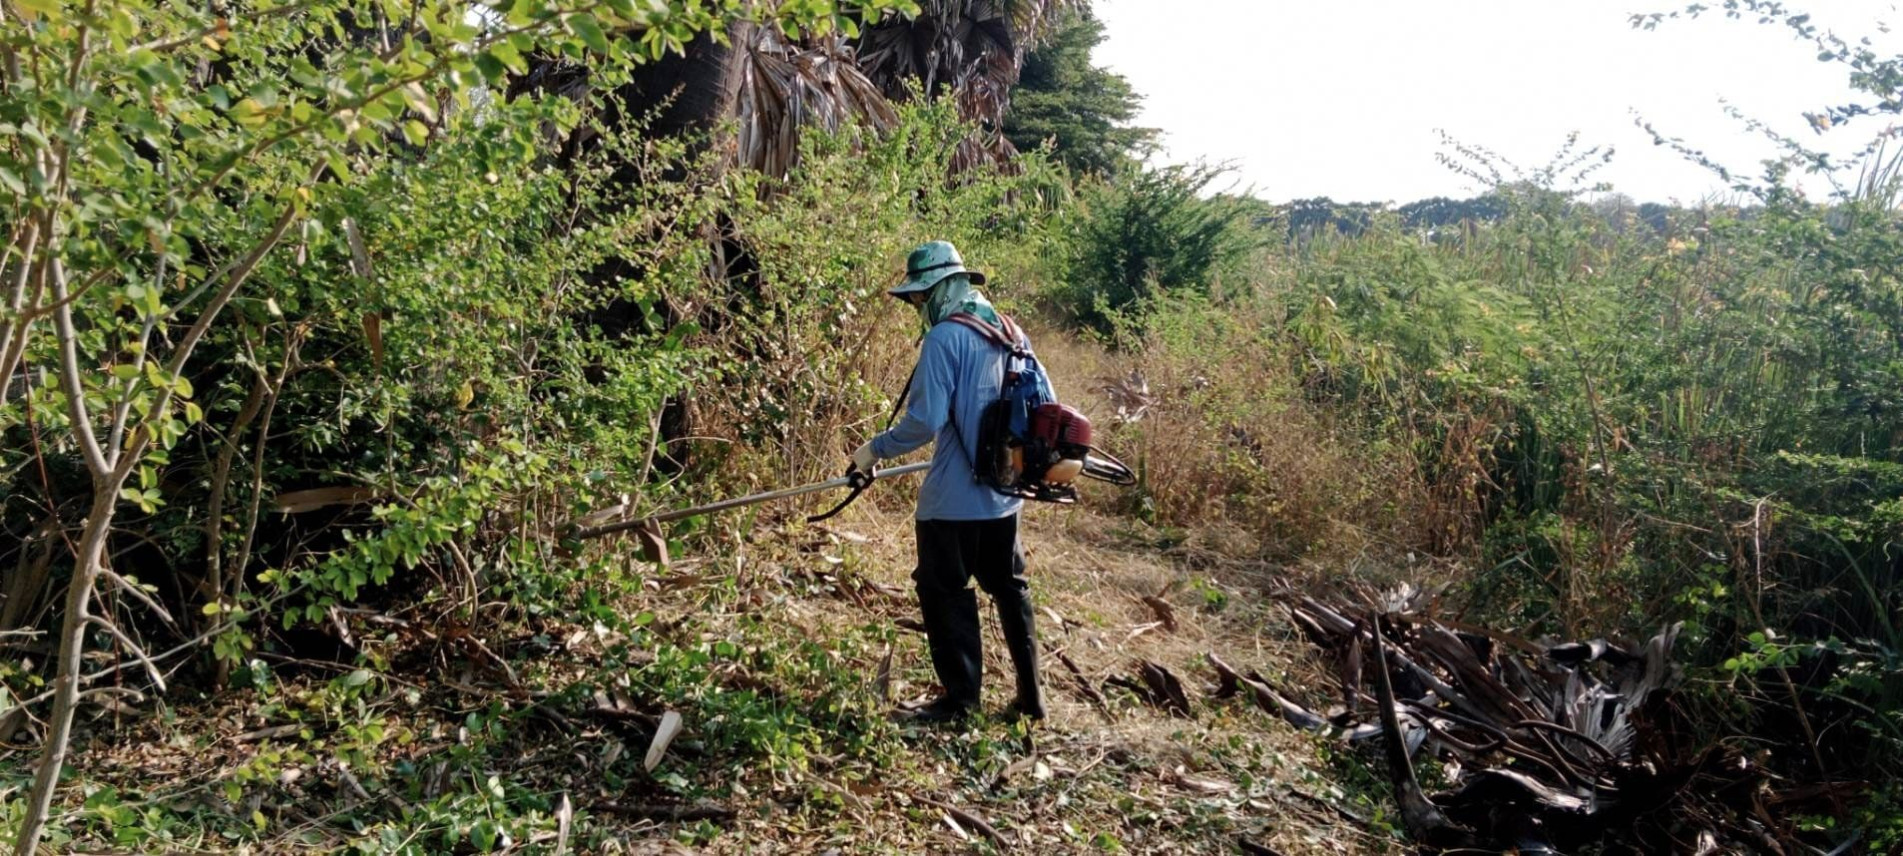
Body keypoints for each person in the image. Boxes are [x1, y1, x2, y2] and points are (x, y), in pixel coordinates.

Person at [851, 240, 1047, 723]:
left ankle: (960, 704)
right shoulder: (1009, 330)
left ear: (939, 288)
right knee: (1009, 587)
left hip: (951, 503)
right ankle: (1031, 699)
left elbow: (924, 422)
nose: (917, 306)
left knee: (944, 592)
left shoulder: (944, 338)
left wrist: (871, 450)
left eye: (920, 296)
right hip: (1004, 495)